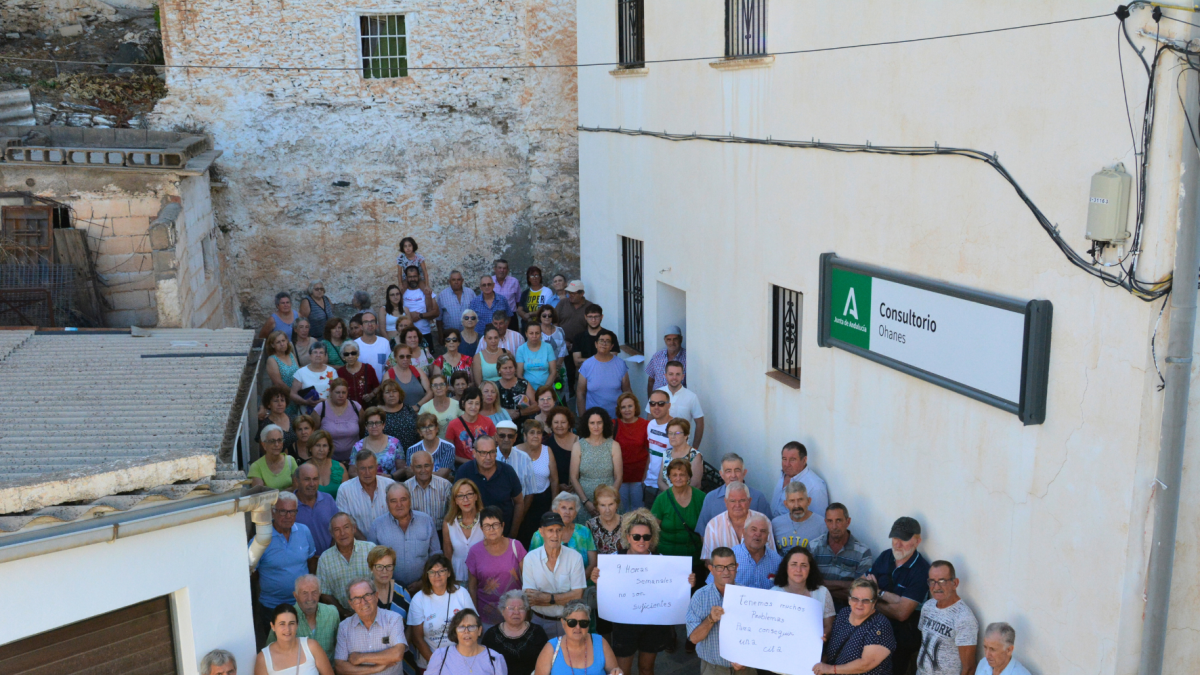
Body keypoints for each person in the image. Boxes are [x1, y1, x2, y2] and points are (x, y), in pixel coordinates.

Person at [588, 509, 689, 675]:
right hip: (624, 624)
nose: (641, 540)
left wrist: (686, 583)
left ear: (652, 538)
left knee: (647, 668)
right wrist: (598, 580)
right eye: (636, 536)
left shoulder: (662, 561)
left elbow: (672, 592)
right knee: (622, 670)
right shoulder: (614, 559)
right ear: (628, 537)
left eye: (646, 537)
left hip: (652, 624)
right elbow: (606, 594)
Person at [866, 517, 931, 675]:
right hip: (873, 624)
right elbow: (862, 584)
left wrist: (877, 594)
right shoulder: (885, 556)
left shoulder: (921, 570)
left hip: (900, 636)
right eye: (895, 538)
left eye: (904, 539)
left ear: (917, 541)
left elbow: (902, 613)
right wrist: (893, 600)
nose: (897, 543)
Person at [253, 493, 316, 641]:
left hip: (301, 605)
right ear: (273, 512)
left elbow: (311, 560)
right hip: (272, 607)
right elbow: (251, 571)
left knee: (303, 645)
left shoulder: (304, 531)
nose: (288, 516)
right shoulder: (261, 538)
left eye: (292, 511)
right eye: (283, 511)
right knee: (276, 649)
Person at [686, 547, 753, 675]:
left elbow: (757, 634)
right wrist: (710, 620)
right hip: (714, 669)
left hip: (745, 669)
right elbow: (693, 639)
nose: (726, 572)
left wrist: (747, 658)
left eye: (730, 566)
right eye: (720, 567)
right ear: (711, 569)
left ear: (737, 566)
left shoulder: (748, 595)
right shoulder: (700, 596)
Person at [522, 512, 587, 638]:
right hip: (539, 622)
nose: (555, 535)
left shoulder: (575, 557)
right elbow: (531, 598)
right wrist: (565, 597)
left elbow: (578, 595)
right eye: (550, 530)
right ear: (541, 532)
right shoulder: (530, 558)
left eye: (558, 530)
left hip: (570, 622)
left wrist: (546, 598)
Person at [408, 554, 478, 668]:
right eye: (432, 572)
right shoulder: (418, 599)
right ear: (427, 575)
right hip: (430, 663)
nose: (437, 575)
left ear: (449, 573)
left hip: (462, 661)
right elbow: (417, 638)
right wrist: (439, 664)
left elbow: (474, 627)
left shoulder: (462, 593)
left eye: (441, 571)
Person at [815, 579, 896, 675]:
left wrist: (830, 669)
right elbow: (832, 649)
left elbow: (866, 664)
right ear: (849, 599)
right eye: (855, 599)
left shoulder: (880, 625)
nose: (859, 604)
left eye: (866, 600)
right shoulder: (844, 613)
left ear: (874, 603)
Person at [372, 483, 442, 592]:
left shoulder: (426, 521)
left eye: (403, 499)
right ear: (387, 503)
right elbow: (372, 562)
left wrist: (423, 582)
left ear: (410, 500)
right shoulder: (377, 526)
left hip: (425, 587)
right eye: (393, 501)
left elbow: (436, 556)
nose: (399, 505)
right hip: (389, 591)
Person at [467, 506, 528, 629]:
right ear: (481, 529)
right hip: (486, 617)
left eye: (495, 524)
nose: (492, 529)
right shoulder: (475, 551)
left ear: (503, 525)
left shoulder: (516, 546)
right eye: (487, 526)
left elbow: (529, 581)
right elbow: (472, 587)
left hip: (516, 615)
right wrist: (475, 615)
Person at [651, 458, 706, 592]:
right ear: (669, 477)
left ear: (689, 476)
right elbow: (652, 529)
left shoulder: (701, 498)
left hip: (694, 560)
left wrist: (706, 557)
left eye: (682, 474)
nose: (678, 478)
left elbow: (707, 531)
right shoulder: (662, 499)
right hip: (667, 560)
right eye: (674, 475)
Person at [456, 435, 527, 538]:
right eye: (483, 453)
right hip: (473, 536)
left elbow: (519, 502)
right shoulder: (464, 471)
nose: (488, 457)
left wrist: (513, 533)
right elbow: (456, 502)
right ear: (474, 453)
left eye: (492, 452)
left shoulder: (507, 471)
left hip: (503, 534)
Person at [334, 578, 408, 675]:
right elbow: (340, 667)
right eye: (356, 599)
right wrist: (376, 669)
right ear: (351, 604)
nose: (363, 602)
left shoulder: (393, 619)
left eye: (367, 595)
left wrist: (360, 657)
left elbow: (398, 654)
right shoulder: (344, 627)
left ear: (376, 596)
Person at [916, 561, 978, 675]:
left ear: (955, 583)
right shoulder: (928, 606)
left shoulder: (964, 618)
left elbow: (969, 668)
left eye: (942, 581)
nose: (936, 587)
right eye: (932, 581)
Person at [808, 503, 874, 607]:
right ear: (825, 522)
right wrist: (846, 584)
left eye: (838, 520)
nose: (834, 526)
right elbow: (808, 583)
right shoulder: (813, 547)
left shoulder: (863, 552)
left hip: (848, 609)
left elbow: (861, 592)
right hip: (816, 605)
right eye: (830, 521)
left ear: (848, 522)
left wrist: (821, 586)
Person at [533, 601, 622, 675]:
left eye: (583, 623)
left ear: (588, 624)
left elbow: (614, 670)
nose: (578, 627)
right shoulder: (551, 648)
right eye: (572, 622)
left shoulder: (600, 642)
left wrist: (617, 672)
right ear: (563, 623)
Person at [694, 453, 772, 536]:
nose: (733, 475)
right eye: (728, 471)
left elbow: (768, 529)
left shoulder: (758, 498)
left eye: (737, 470)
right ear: (721, 474)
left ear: (744, 473)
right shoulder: (711, 498)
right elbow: (703, 533)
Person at [266, 575, 339, 657]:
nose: (310, 598)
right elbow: (270, 651)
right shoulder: (284, 618)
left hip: (328, 668)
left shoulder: (332, 613)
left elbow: (339, 646)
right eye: (305, 593)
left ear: (320, 593)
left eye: (314, 592)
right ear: (295, 595)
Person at [700, 482, 774, 563]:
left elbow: (771, 555)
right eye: (732, 501)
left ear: (749, 501)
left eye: (742, 500)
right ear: (726, 502)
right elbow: (708, 560)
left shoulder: (763, 521)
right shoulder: (713, 525)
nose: (737, 505)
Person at [772, 546, 836, 638]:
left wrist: (821, 637)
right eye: (794, 564)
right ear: (786, 567)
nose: (798, 570)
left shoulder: (822, 592)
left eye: (804, 565)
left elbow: (828, 626)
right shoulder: (774, 593)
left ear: (810, 569)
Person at [570, 409, 622, 521]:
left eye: (599, 422)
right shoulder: (578, 446)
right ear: (586, 424)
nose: (596, 426)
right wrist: (586, 502)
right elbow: (573, 478)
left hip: (609, 503)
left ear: (605, 424)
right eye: (592, 423)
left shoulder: (614, 445)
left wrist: (609, 501)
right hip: (585, 502)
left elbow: (618, 477)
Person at [317, 512, 374, 615]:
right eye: (337, 530)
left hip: (372, 612)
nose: (342, 533)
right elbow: (325, 593)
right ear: (332, 534)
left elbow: (381, 582)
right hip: (342, 617)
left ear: (354, 528)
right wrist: (344, 613)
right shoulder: (325, 559)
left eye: (346, 527)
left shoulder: (370, 549)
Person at [529, 492, 598, 578]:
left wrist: (578, 583)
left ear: (576, 512)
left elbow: (593, 563)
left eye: (571, 508)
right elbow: (531, 564)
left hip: (582, 583)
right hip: (548, 586)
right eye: (563, 508)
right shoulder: (540, 535)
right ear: (555, 510)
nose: (567, 512)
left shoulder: (584, 532)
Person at [482, 590, 549, 675]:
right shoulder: (491, 635)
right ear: (502, 611)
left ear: (526, 610)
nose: (516, 612)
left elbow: (547, 663)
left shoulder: (537, 632)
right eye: (511, 608)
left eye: (521, 608)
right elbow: (485, 665)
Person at [256, 604, 335, 675]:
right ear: (273, 626)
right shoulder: (263, 658)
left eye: (291, 623)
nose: (287, 629)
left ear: (297, 625)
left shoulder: (311, 647)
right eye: (282, 624)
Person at [426, 609, 508, 675]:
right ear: (455, 631)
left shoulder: (495, 658)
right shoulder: (441, 656)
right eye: (461, 627)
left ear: (479, 630)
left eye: (471, 626)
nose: (466, 631)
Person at [515, 419, 557, 546]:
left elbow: (555, 480)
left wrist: (553, 506)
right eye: (531, 432)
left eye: (538, 433)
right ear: (525, 435)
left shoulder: (547, 451)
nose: (535, 436)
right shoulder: (515, 452)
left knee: (542, 540)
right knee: (523, 538)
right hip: (521, 502)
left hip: (543, 501)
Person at [336, 450, 396, 538]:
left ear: (376, 467)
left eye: (370, 467)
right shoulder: (344, 490)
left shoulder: (390, 485)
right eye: (363, 468)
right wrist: (368, 546)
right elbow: (346, 523)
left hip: (390, 540)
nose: (367, 472)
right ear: (356, 470)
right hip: (360, 545)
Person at [575, 330, 629, 424]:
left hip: (616, 418)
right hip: (593, 419)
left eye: (607, 341)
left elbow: (627, 391)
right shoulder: (587, 365)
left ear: (612, 346)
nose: (604, 344)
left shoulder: (620, 364)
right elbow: (580, 393)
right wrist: (583, 419)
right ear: (596, 344)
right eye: (601, 341)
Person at [648, 361, 704, 449]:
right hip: (659, 446)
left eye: (678, 374)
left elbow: (700, 422)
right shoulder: (657, 394)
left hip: (682, 447)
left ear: (682, 376)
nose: (674, 377)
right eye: (671, 374)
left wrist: (695, 447)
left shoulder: (691, 397)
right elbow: (650, 417)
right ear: (665, 375)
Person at [771, 441, 830, 519]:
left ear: (804, 460)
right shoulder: (784, 475)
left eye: (792, 460)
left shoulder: (815, 487)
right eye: (784, 459)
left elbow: (818, 522)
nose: (787, 464)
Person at [611, 393, 648, 512]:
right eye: (623, 407)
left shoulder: (645, 425)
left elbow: (651, 452)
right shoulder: (613, 425)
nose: (627, 410)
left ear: (635, 407)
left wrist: (645, 476)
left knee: (639, 510)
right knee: (621, 510)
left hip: (639, 476)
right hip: (619, 477)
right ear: (619, 409)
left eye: (630, 406)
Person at [444, 478, 486, 580]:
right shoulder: (448, 523)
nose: (465, 499)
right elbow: (447, 556)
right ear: (456, 501)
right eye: (460, 496)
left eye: (469, 494)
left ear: (476, 497)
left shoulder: (486, 520)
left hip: (483, 577)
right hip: (457, 578)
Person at [313, 380, 362, 464]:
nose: (341, 395)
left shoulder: (356, 407)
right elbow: (313, 433)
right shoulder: (321, 408)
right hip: (328, 460)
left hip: (354, 460)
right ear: (330, 392)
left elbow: (363, 429)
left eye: (344, 392)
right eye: (337, 392)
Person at [447, 386, 499, 464]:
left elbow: (493, 447)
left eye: (477, 403)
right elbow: (450, 453)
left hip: (485, 464)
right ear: (463, 403)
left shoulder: (488, 422)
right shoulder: (453, 424)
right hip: (463, 466)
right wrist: (470, 463)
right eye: (470, 403)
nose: (473, 407)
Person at [495, 421, 536, 517]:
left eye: (510, 436)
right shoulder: (488, 457)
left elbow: (530, 492)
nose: (506, 439)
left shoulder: (524, 458)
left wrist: (520, 517)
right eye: (502, 436)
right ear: (496, 436)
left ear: (515, 437)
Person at [772, 481, 828, 552]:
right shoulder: (776, 524)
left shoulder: (822, 525)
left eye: (800, 500)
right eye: (792, 501)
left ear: (808, 501)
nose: (796, 505)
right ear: (786, 504)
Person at [730, 514, 781, 589]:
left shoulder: (776, 560)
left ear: (767, 536)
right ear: (744, 532)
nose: (758, 534)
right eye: (753, 529)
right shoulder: (731, 556)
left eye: (763, 531)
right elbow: (715, 585)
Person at [296, 464, 339, 554]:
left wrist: (329, 556)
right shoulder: (289, 505)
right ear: (297, 481)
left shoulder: (328, 499)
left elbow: (338, 529)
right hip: (302, 563)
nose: (312, 484)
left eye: (315, 479)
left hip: (329, 560)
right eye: (307, 479)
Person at [354, 407, 405, 478]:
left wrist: (390, 476)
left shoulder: (395, 443)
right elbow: (352, 472)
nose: (374, 426)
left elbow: (402, 469)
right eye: (370, 423)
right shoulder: (358, 446)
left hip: (390, 485)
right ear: (366, 426)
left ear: (383, 425)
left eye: (377, 423)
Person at [406, 449, 453, 523]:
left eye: (427, 466)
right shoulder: (405, 488)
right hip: (415, 532)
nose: (423, 470)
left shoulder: (445, 485)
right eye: (418, 467)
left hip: (440, 531)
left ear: (432, 465)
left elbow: (453, 513)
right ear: (412, 468)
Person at [368, 545, 414, 620]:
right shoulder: (365, 592)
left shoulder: (402, 590)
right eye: (379, 566)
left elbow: (411, 622)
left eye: (389, 566)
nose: (384, 571)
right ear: (371, 568)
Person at [641, 390, 671, 506]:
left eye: (661, 403)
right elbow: (651, 453)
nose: (656, 407)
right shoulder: (650, 424)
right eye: (652, 403)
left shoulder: (676, 427)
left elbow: (682, 456)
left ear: (669, 405)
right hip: (649, 484)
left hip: (667, 487)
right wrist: (644, 478)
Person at [655, 418, 700, 492]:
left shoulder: (695, 455)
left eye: (677, 433)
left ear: (686, 435)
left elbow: (695, 484)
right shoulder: (666, 453)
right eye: (670, 433)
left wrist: (678, 496)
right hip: (667, 497)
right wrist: (671, 495)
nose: (673, 436)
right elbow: (660, 481)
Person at [409, 414, 457, 480]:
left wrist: (420, 474)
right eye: (423, 427)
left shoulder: (448, 447)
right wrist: (437, 474)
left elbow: (443, 474)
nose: (428, 430)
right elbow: (410, 475)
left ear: (437, 428)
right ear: (419, 432)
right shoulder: (412, 450)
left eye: (431, 426)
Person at [386, 344, 433, 412]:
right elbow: (386, 397)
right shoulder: (389, 375)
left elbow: (429, 393)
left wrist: (417, 406)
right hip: (399, 415)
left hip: (421, 413)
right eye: (401, 356)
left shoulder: (418, 371)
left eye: (408, 356)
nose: (405, 359)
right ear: (395, 357)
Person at [265, 330, 302, 417]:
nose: (282, 344)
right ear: (272, 345)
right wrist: (293, 394)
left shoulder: (291, 355)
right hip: (285, 397)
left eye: (283, 340)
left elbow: (299, 372)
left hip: (297, 395)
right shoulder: (272, 360)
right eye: (278, 342)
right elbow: (278, 383)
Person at [250, 425, 299, 490]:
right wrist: (287, 491)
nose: (276, 444)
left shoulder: (290, 460)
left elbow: (298, 488)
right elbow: (260, 495)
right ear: (264, 445)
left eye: (279, 440)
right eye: (272, 441)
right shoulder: (256, 467)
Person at [377, 379, 420, 452]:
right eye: (387, 392)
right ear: (382, 396)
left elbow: (418, 429)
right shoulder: (377, 413)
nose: (391, 395)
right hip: (389, 455)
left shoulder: (408, 409)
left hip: (411, 452)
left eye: (394, 391)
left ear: (399, 394)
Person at [292, 343, 338, 411]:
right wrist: (305, 402)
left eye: (321, 353)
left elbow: (337, 391)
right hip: (307, 412)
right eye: (315, 352)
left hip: (328, 410)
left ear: (325, 356)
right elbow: (293, 394)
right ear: (310, 356)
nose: (318, 355)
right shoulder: (300, 372)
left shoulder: (332, 371)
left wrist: (325, 401)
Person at [402, 265, 439, 345]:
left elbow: (436, 312)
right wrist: (409, 315)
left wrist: (420, 316)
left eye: (414, 276)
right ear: (406, 278)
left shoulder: (426, 291)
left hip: (424, 333)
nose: (412, 279)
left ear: (419, 276)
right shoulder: (402, 293)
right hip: (407, 335)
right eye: (410, 277)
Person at [645, 326, 686, 397]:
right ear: (665, 340)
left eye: (675, 339)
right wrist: (650, 401)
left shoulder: (687, 358)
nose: (672, 343)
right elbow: (651, 380)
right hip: (657, 403)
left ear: (681, 339)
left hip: (677, 403)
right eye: (669, 340)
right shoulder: (657, 356)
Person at [337, 341, 381, 407]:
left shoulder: (368, 368)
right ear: (343, 356)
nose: (350, 356)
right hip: (348, 409)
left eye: (353, 353)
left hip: (367, 409)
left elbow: (377, 387)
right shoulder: (340, 372)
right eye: (346, 354)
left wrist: (371, 395)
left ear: (357, 354)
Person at [421, 374, 464, 438]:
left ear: (447, 387)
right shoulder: (425, 408)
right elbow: (421, 430)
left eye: (441, 384)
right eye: (435, 385)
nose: (438, 388)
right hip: (433, 445)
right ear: (431, 388)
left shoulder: (457, 405)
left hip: (455, 443)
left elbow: (464, 426)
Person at [517, 324, 558, 390]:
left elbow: (553, 372)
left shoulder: (548, 347)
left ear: (541, 334)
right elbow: (519, 374)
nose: (534, 336)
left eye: (537, 333)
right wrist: (530, 391)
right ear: (526, 334)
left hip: (547, 388)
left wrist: (545, 389)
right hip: (528, 389)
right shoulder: (521, 349)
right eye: (531, 333)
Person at [355, 311, 392, 382]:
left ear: (376, 325)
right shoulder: (355, 344)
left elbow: (389, 366)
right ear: (361, 327)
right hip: (363, 387)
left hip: (382, 386)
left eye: (372, 321)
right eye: (366, 322)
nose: (370, 324)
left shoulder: (384, 343)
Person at [585, 485, 622, 554]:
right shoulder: (590, 525)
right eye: (602, 505)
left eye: (611, 504)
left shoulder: (627, 523)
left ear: (617, 504)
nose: (607, 510)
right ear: (597, 506)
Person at [305, 431, 344, 497]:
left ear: (329, 449)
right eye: (317, 445)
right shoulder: (302, 470)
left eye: (325, 445)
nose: (321, 449)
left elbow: (348, 496)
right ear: (310, 448)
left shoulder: (340, 467)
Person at [438, 271, 477, 335]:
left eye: (458, 279)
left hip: (469, 333)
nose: (456, 282)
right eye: (453, 280)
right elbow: (439, 318)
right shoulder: (442, 295)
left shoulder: (470, 293)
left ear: (462, 280)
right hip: (450, 335)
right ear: (449, 281)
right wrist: (440, 334)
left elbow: (476, 313)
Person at [497, 357, 537, 421]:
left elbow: (536, 405)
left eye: (510, 367)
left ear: (515, 368)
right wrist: (504, 412)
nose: (508, 371)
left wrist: (519, 413)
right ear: (499, 370)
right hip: (502, 423)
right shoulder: (495, 386)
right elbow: (488, 408)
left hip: (523, 423)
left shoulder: (524, 384)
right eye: (505, 368)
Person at [570, 305, 608, 369]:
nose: (593, 320)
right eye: (590, 317)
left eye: (596, 317)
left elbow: (611, 360)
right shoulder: (578, 337)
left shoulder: (610, 336)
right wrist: (600, 360)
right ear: (585, 317)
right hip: (585, 376)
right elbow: (577, 362)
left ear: (602, 317)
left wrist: (585, 360)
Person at [555, 281, 589, 352]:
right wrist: (561, 340)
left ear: (582, 294)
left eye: (573, 293)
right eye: (569, 292)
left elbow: (591, 329)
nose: (570, 295)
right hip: (562, 345)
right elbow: (555, 322)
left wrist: (578, 344)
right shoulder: (563, 303)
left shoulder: (589, 307)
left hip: (582, 346)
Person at [537, 307, 569, 371]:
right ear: (540, 317)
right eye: (544, 315)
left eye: (550, 315)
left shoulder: (560, 330)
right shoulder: (535, 331)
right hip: (541, 368)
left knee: (559, 381)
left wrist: (557, 367)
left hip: (559, 367)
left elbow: (563, 349)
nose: (547, 317)